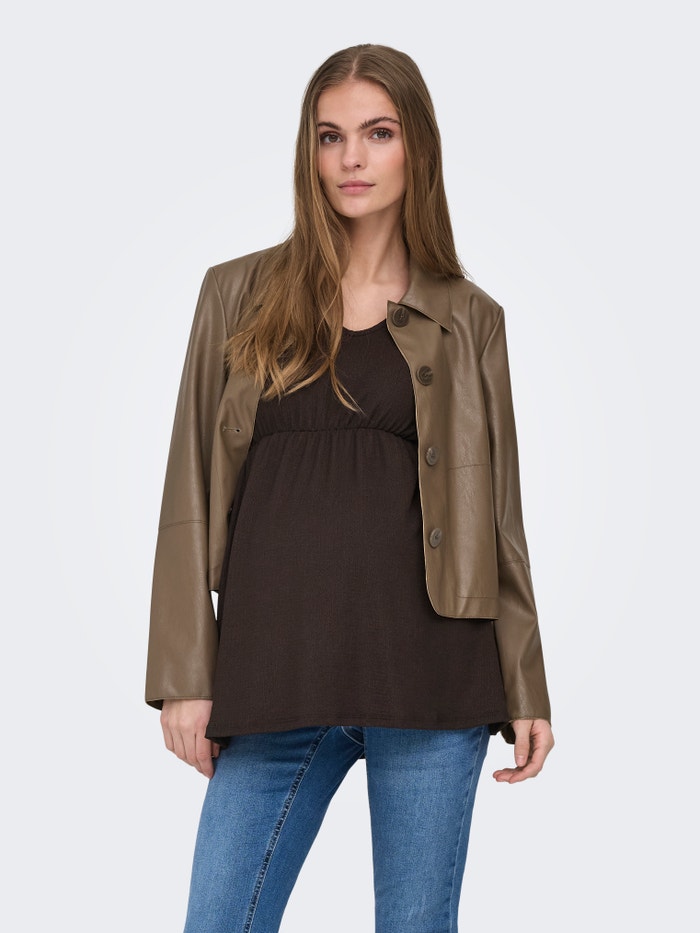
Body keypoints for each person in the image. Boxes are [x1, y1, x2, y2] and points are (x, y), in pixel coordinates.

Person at [145, 43, 554, 933]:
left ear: (417, 148)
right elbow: (188, 491)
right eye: (331, 136)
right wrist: (182, 673)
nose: (352, 159)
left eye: (378, 133)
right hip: (273, 671)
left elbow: (501, 516)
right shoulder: (236, 293)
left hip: (431, 677)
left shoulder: (469, 318)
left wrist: (526, 685)